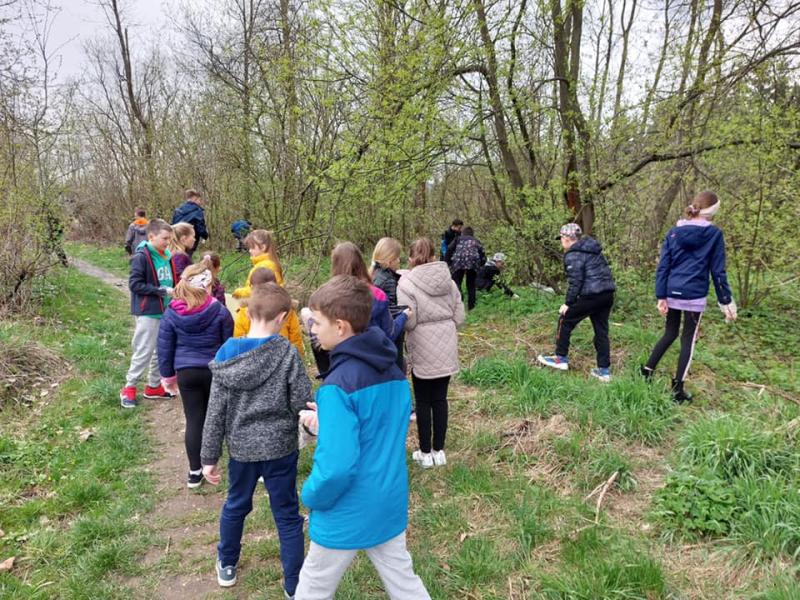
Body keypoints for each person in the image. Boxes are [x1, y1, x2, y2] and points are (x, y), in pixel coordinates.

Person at [294, 275, 430, 599]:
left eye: (318, 322)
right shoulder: (394, 373)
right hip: (388, 501)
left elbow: (336, 468)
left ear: (340, 327)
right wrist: (330, 420)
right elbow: (378, 427)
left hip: (345, 510)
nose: (313, 329)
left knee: (313, 587)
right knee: (404, 583)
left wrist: (310, 495)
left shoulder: (336, 387)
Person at [201, 283, 311, 595]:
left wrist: (208, 457)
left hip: (242, 450)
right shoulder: (287, 353)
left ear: (247, 314)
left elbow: (215, 411)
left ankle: (227, 563)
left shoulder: (227, 354)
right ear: (283, 318)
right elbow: (301, 401)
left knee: (236, 505)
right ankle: (294, 585)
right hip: (280, 449)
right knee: (287, 515)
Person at [642, 191, 737, 403]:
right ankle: (677, 390)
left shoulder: (673, 232)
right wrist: (726, 303)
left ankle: (647, 371)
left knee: (669, 333)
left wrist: (661, 296)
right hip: (694, 295)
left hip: (672, 291)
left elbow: (663, 267)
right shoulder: (714, 234)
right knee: (688, 340)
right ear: (713, 211)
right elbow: (718, 272)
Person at [158, 262, 233, 488]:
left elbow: (165, 347)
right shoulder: (220, 311)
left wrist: (167, 377)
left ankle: (194, 472)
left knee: (194, 420)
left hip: (186, 373)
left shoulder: (172, 312)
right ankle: (220, 463)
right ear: (207, 286)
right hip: (214, 371)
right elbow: (228, 345)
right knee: (218, 418)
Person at [397, 238, 465, 469]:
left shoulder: (405, 284)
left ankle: (425, 452)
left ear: (411, 258)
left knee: (423, 401)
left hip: (422, 345)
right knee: (440, 398)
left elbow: (409, 321)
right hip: (446, 344)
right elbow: (459, 316)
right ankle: (439, 451)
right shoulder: (449, 281)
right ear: (434, 256)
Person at [537, 223, 616, 382]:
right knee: (601, 331)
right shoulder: (593, 249)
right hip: (607, 294)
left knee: (565, 319)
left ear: (567, 238)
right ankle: (604, 371)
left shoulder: (573, 255)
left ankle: (560, 358)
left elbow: (576, 282)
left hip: (591, 295)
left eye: (561, 238)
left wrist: (568, 303)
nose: (561, 241)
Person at [119, 219, 177, 408]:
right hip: (148, 312)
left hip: (166, 310)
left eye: (169, 238)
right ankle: (129, 387)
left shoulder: (167, 255)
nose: (168, 242)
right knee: (144, 349)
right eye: (164, 238)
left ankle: (153, 386)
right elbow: (135, 285)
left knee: (161, 351)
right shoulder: (141, 257)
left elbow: (171, 279)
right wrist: (161, 291)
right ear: (151, 236)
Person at [233, 267, 304, 357]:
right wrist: (298, 359)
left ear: (251, 287)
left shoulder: (245, 311)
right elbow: (295, 340)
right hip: (281, 358)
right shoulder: (287, 309)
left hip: (253, 358)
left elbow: (238, 344)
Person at [370, 237, 406, 369]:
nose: (399, 261)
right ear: (390, 260)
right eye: (397, 258)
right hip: (390, 337)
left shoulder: (373, 274)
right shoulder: (388, 280)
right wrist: (406, 311)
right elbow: (392, 310)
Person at [232, 229, 284, 298]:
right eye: (249, 248)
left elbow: (261, 292)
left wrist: (239, 292)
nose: (250, 251)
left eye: (252, 247)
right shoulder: (263, 264)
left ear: (263, 247)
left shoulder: (266, 266)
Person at [445, 226, 485, 310]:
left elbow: (449, 249)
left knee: (457, 283)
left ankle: (460, 300)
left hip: (458, 262)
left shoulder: (458, 239)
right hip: (473, 263)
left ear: (462, 233)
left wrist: (448, 262)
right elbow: (482, 254)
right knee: (471, 285)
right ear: (472, 234)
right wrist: (481, 264)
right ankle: (471, 307)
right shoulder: (476, 241)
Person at [171, 189, 208, 256]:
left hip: (177, 238)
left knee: (177, 256)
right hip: (190, 238)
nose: (200, 202)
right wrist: (205, 236)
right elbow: (200, 227)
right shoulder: (197, 211)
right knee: (186, 257)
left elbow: (173, 224)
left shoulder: (178, 210)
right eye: (199, 200)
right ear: (195, 199)